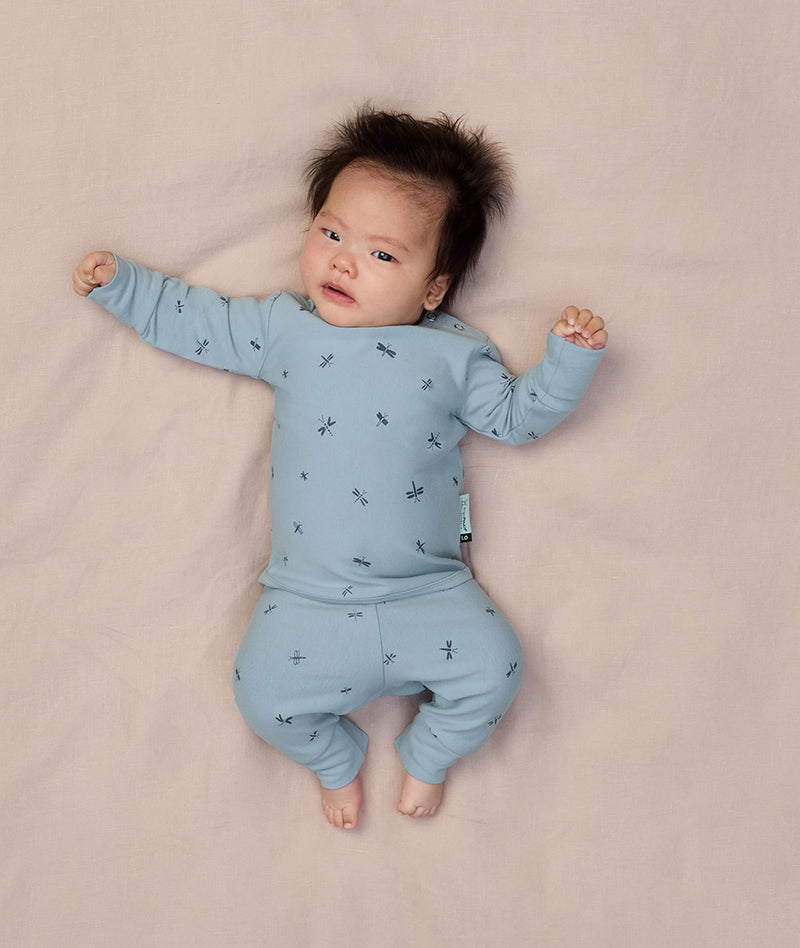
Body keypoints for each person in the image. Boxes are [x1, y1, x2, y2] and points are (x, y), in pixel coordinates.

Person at [72, 107, 607, 830]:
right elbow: (198, 322)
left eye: (383, 255)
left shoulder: (457, 356)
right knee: (261, 696)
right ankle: (335, 759)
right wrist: (125, 287)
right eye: (330, 233)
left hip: (431, 593)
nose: (343, 261)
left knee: (498, 669)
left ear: (433, 290)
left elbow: (517, 419)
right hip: (310, 600)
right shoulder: (285, 329)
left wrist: (568, 360)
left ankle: (430, 754)